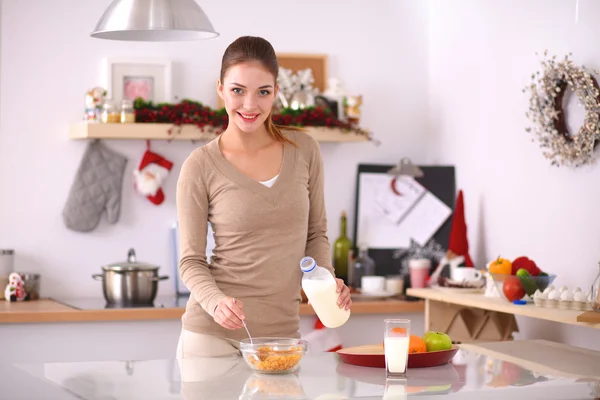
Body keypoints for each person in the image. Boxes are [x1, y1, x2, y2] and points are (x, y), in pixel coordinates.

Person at [175, 35, 352, 359]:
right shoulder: (200, 166)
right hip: (214, 338)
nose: (250, 105)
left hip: (282, 339)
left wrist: (327, 282)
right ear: (220, 89)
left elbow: (315, 236)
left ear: (276, 92)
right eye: (237, 90)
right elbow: (191, 261)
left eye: (263, 92)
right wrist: (215, 302)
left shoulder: (304, 151)